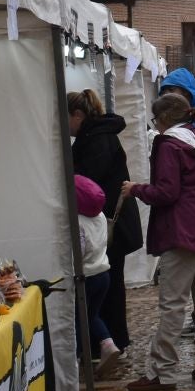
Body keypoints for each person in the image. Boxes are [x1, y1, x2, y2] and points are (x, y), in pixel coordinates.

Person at [122, 92, 195, 391]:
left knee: (173, 305)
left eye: (155, 121)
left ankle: (164, 373)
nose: (155, 127)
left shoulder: (168, 145)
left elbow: (167, 192)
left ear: (165, 119)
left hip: (183, 233)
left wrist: (136, 189)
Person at [72, 88, 142, 357]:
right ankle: (110, 340)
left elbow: (90, 182)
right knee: (111, 284)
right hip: (112, 225)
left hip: (109, 227)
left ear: (78, 115)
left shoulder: (97, 139)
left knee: (108, 287)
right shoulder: (98, 135)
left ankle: (109, 342)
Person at [74, 174, 118, 371]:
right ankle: (107, 343)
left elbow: (78, 253)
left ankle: (73, 359)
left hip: (85, 277)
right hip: (103, 272)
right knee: (91, 316)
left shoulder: (77, 221)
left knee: (75, 319)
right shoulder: (99, 216)